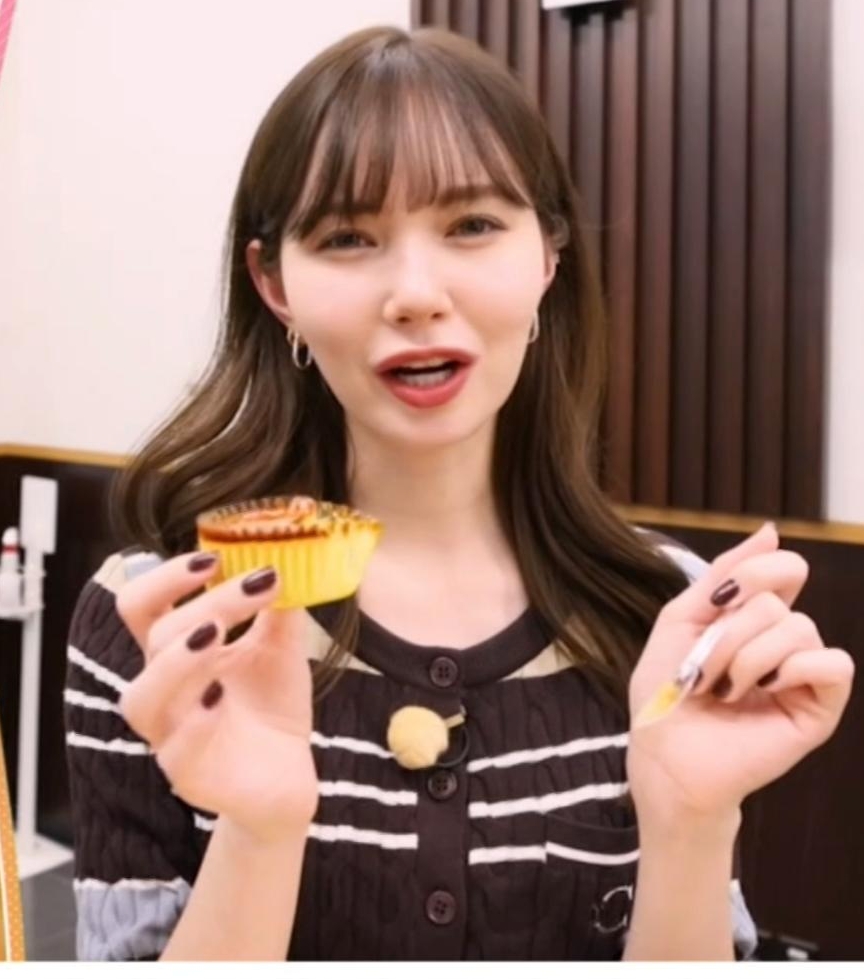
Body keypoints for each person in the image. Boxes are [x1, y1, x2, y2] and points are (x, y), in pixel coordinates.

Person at [63, 25, 853, 961]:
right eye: (347, 237)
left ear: (548, 255)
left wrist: (689, 823)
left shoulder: (667, 617)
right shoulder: (160, 621)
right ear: (275, 285)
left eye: (472, 225)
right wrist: (259, 833)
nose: (416, 293)